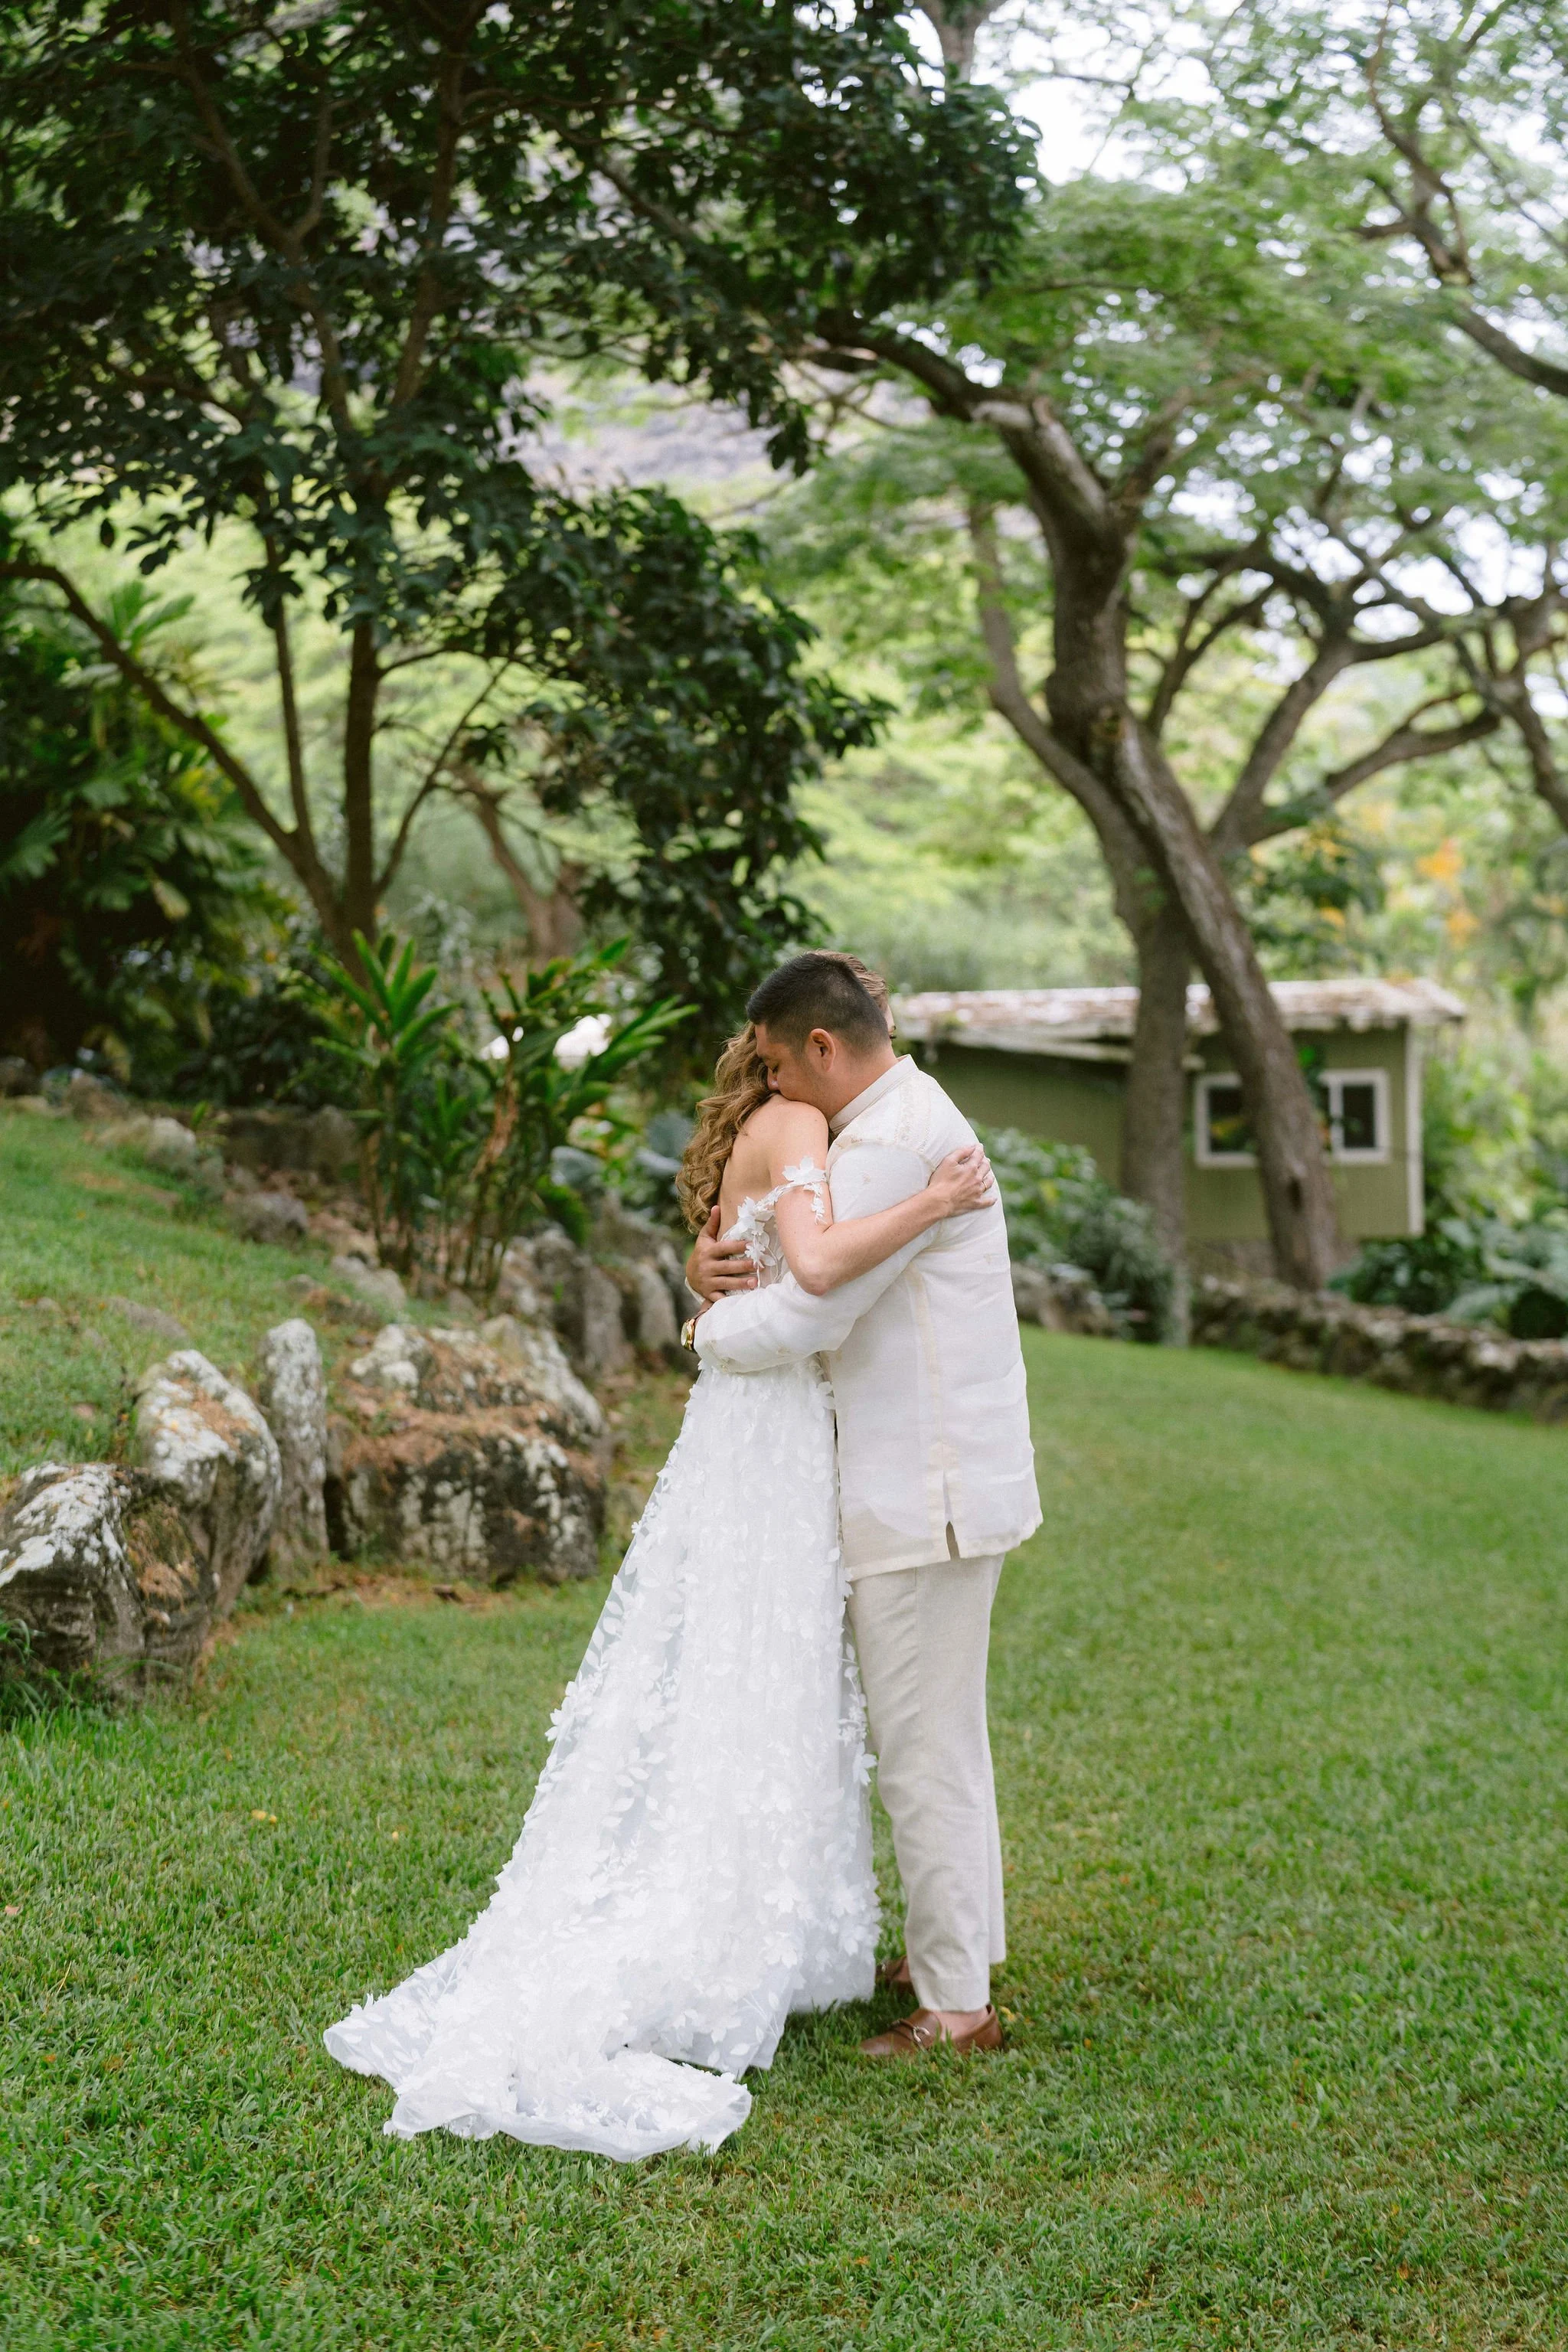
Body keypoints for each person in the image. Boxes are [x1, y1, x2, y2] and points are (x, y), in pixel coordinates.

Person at [323, 1011, 995, 2161]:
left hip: (788, 1447)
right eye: (778, 1065)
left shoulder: (830, 1123)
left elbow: (795, 1269)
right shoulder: (812, 1125)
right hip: (779, 1435)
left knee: (782, 1680)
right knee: (783, 1679)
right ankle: (898, 1956)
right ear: (795, 1060)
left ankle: (930, 1964)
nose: (782, 1077)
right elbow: (816, 1273)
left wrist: (715, 1292)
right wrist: (723, 1313)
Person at [687, 952, 1041, 2060]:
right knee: (944, 1738)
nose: (778, 1088)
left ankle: (955, 2008)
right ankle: (958, 1952)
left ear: (825, 1049)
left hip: (919, 1490)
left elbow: (806, 1320)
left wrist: (697, 1333)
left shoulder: (889, 1145)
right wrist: (709, 1273)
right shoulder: (898, 1119)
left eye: (783, 1067)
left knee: (922, 1750)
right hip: (931, 1481)